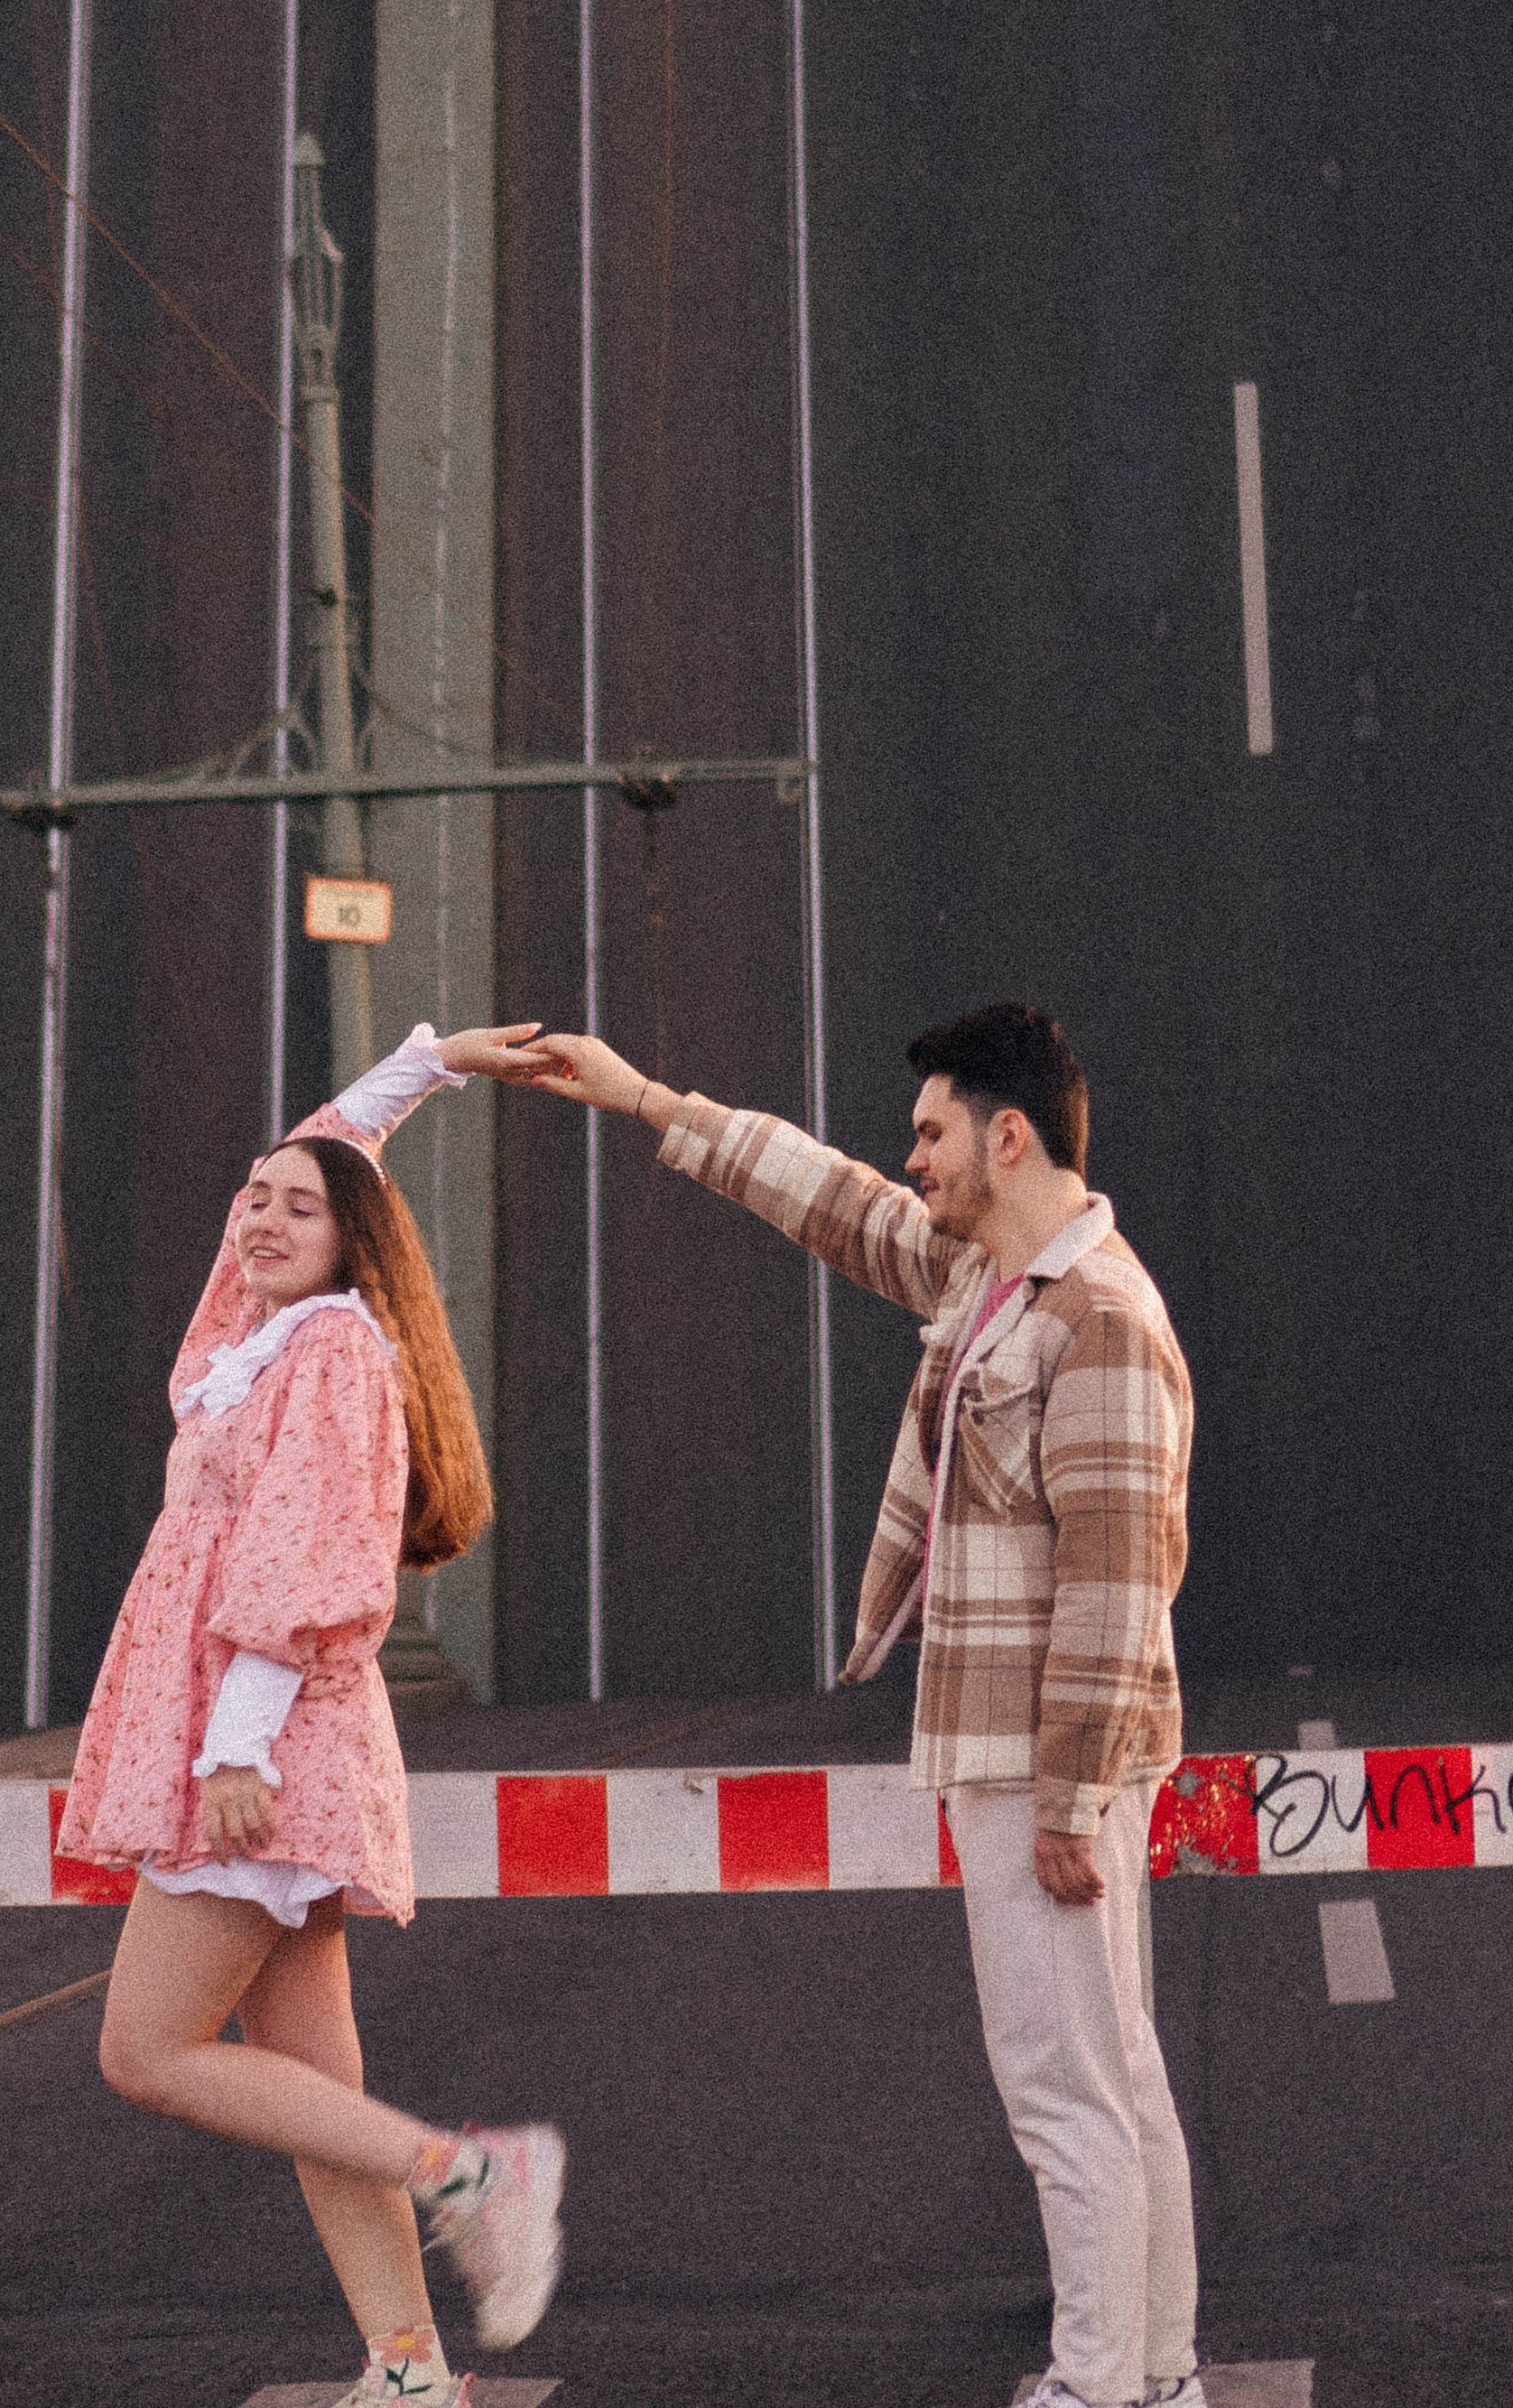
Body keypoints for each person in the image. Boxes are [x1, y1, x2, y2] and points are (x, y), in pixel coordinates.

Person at [528, 1002, 1202, 2408]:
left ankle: (1102, 2386)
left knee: (1065, 2088)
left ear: (1006, 1137)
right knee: (1111, 2074)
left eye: (931, 1133)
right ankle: (1154, 2374)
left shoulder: (1101, 1319)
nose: (911, 1162)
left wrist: (1073, 1802)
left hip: (1044, 1760)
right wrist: (647, 1096)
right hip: (1017, 1752)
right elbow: (825, 1201)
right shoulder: (992, 1279)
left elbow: (1116, 1588)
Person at [59, 1019, 566, 2408]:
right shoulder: (260, 1338)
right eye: (254, 1198)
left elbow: (315, 1558)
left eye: (302, 1206)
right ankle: (407, 2373)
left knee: (146, 2049)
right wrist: (431, 1062)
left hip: (261, 1748)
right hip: (262, 1743)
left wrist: (232, 1748)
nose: (264, 1218)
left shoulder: (335, 1350)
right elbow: (320, 1160)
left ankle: (471, 2171)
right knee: (312, 2094)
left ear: (359, 1246)